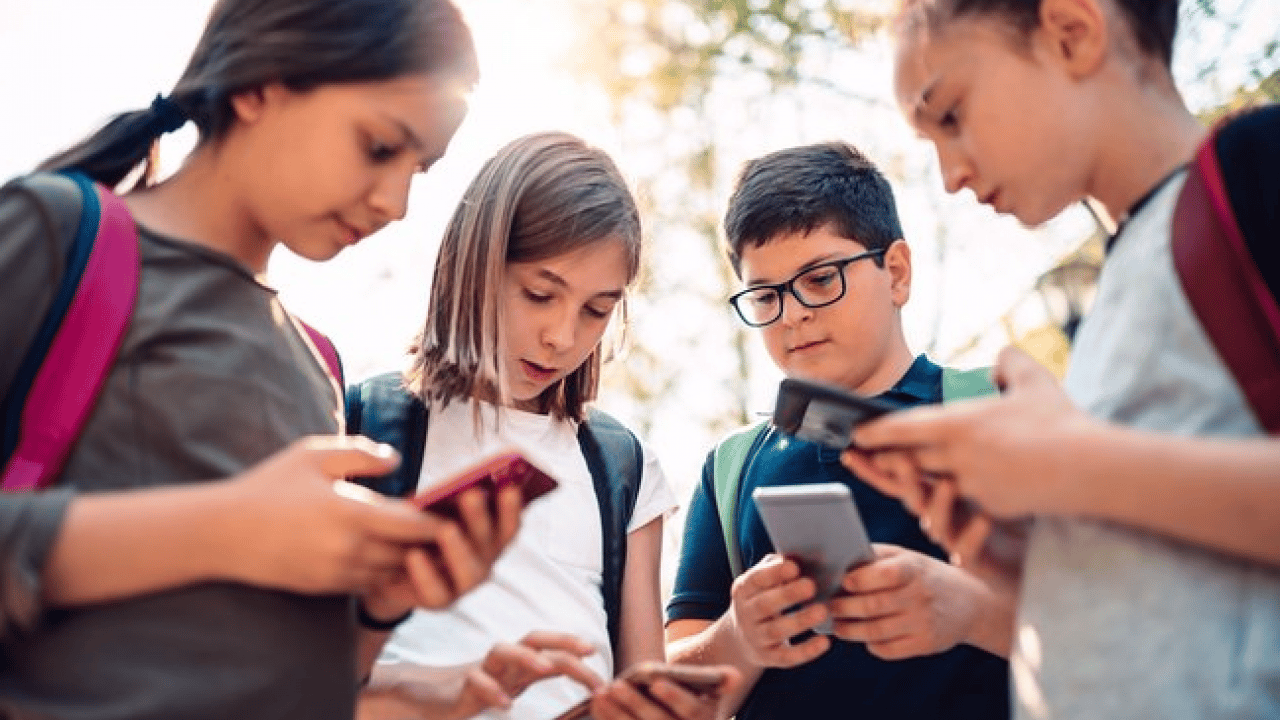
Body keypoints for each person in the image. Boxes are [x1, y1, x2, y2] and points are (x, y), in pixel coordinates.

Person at [0, 1, 524, 718]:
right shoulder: (59, 234)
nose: (398, 203)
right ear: (261, 86)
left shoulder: (320, 365)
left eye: (421, 169)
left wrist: (377, 608)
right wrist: (225, 529)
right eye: (378, 146)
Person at [843, 0, 1280, 717]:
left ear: (1072, 32)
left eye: (950, 114)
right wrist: (1034, 569)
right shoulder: (1120, 284)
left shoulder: (1255, 170)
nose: (948, 175)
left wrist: (1070, 466)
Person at [350, 131, 737, 720]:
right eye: (539, 294)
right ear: (477, 264)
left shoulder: (621, 466)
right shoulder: (363, 426)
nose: (562, 337)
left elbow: (641, 689)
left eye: (596, 310)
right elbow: (304, 679)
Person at [664, 141, 1012, 720]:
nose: (793, 313)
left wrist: (971, 611)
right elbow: (675, 689)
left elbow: (1107, 622)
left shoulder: (995, 411)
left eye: (820, 279)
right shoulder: (728, 469)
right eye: (767, 295)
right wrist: (738, 636)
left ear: (895, 273)